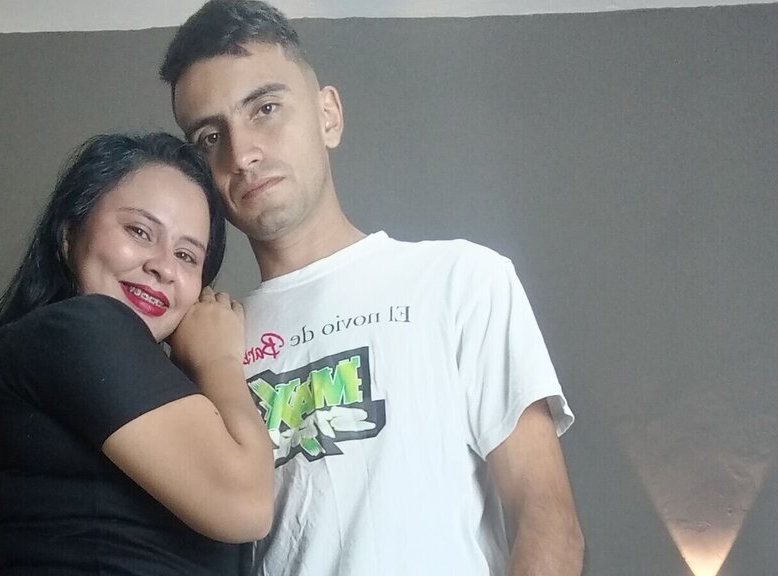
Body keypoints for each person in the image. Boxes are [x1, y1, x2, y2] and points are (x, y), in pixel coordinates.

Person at [159, 2, 585, 574]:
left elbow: (547, 520)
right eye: (211, 136)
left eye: (265, 109)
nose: (242, 154)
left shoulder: (461, 280)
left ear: (328, 116)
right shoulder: (206, 345)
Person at [0, 132, 274, 576]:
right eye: (139, 231)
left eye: (187, 255)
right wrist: (218, 361)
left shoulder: (66, 358)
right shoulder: (76, 328)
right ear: (68, 235)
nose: (163, 267)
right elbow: (245, 503)